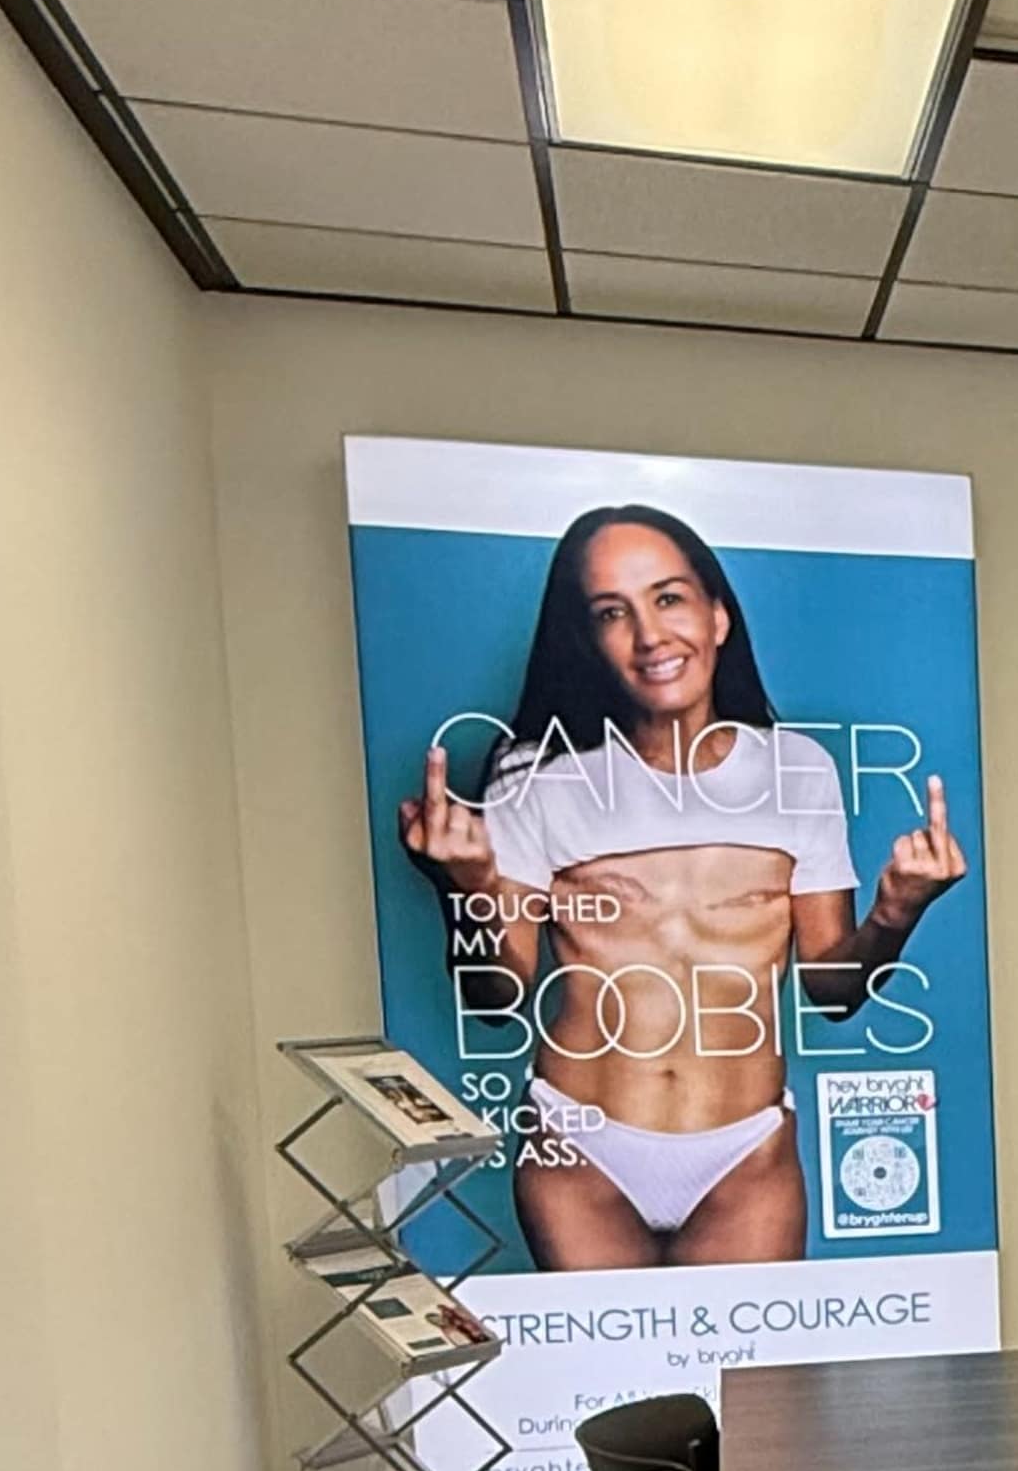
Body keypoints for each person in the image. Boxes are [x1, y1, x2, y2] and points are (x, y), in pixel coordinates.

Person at [396, 502, 966, 1268]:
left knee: (760, 1391)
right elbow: (496, 1000)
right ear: (588, 639)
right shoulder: (537, 777)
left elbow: (833, 990)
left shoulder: (797, 770)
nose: (649, 635)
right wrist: (461, 885)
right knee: (607, 1393)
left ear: (718, 617)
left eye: (667, 598)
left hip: (746, 1155)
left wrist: (899, 913)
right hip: (581, 1148)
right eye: (611, 612)